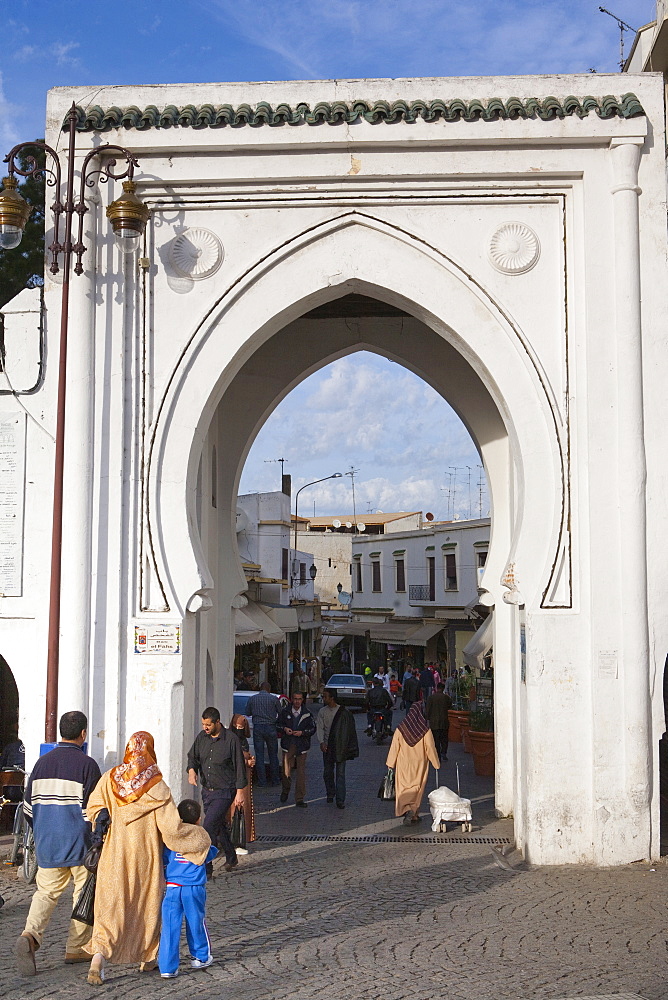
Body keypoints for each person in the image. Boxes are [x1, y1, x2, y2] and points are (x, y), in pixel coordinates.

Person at [84, 731, 210, 985]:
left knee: (110, 905)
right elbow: (172, 830)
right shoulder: (157, 786)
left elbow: (93, 807)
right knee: (147, 906)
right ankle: (148, 956)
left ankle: (98, 956)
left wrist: (102, 818)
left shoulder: (110, 779)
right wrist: (198, 839)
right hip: (146, 857)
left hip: (114, 854)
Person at [15, 711, 101, 977]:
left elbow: (29, 809)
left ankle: (30, 935)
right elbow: (94, 810)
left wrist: (43, 831)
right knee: (82, 894)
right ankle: (76, 948)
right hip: (79, 843)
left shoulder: (41, 764)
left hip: (47, 842)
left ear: (61, 732)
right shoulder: (87, 766)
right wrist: (96, 838)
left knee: (45, 893)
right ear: (83, 734)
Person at [158, 799, 218, 978]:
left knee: (169, 926)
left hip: (173, 888)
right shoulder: (201, 837)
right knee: (196, 922)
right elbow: (211, 853)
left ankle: (167, 967)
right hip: (194, 888)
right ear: (199, 819)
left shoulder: (171, 838)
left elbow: (164, 858)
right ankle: (200, 957)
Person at [187, 707, 247, 872]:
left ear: (217, 722)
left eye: (208, 724)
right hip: (207, 790)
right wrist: (192, 771)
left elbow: (239, 766)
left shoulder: (231, 740)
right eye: (203, 724)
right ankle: (231, 856)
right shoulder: (202, 738)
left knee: (209, 826)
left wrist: (240, 791)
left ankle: (207, 867)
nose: (205, 728)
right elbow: (193, 757)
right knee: (218, 824)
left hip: (225, 790)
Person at [386, 704, 440, 824]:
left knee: (404, 787)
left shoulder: (401, 729)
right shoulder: (425, 730)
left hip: (403, 763)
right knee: (417, 788)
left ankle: (407, 810)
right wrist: (436, 763)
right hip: (419, 764)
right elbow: (430, 747)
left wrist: (391, 763)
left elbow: (394, 747)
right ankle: (413, 811)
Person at [317, 688, 359, 808]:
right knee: (328, 772)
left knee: (340, 773)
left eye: (325, 696)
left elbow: (349, 732)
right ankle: (330, 793)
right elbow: (320, 728)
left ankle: (340, 799)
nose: (323, 699)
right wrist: (321, 742)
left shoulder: (344, 713)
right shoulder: (322, 712)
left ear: (332, 698)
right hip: (327, 747)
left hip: (341, 747)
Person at [277, 692, 316, 807]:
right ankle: (286, 789)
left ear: (302, 700)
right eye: (295, 699)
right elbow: (277, 725)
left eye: (299, 699)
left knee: (301, 773)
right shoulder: (285, 712)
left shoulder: (307, 714)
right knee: (285, 771)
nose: (297, 701)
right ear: (292, 700)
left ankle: (299, 798)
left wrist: (302, 733)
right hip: (288, 744)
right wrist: (285, 729)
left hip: (302, 745)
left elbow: (312, 729)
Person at [226, 714, 256, 848]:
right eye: (236, 727)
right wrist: (246, 761)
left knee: (244, 808)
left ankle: (243, 837)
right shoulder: (231, 740)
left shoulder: (242, 740)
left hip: (244, 778)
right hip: (235, 779)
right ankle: (234, 838)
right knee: (234, 808)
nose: (239, 729)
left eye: (241, 727)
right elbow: (233, 759)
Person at [247, 682, 280, 785]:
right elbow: (281, 712)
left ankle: (262, 781)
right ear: (269, 689)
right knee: (273, 755)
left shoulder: (253, 699)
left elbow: (247, 712)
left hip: (258, 728)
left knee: (259, 755)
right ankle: (275, 780)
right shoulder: (274, 699)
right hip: (271, 727)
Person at [425, 682, 453, 760]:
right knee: (444, 738)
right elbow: (450, 706)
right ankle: (443, 752)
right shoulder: (446, 698)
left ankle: (437, 754)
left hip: (434, 722)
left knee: (435, 739)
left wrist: (426, 719)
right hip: (444, 721)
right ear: (443, 689)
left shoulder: (431, 698)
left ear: (437, 688)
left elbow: (427, 710)